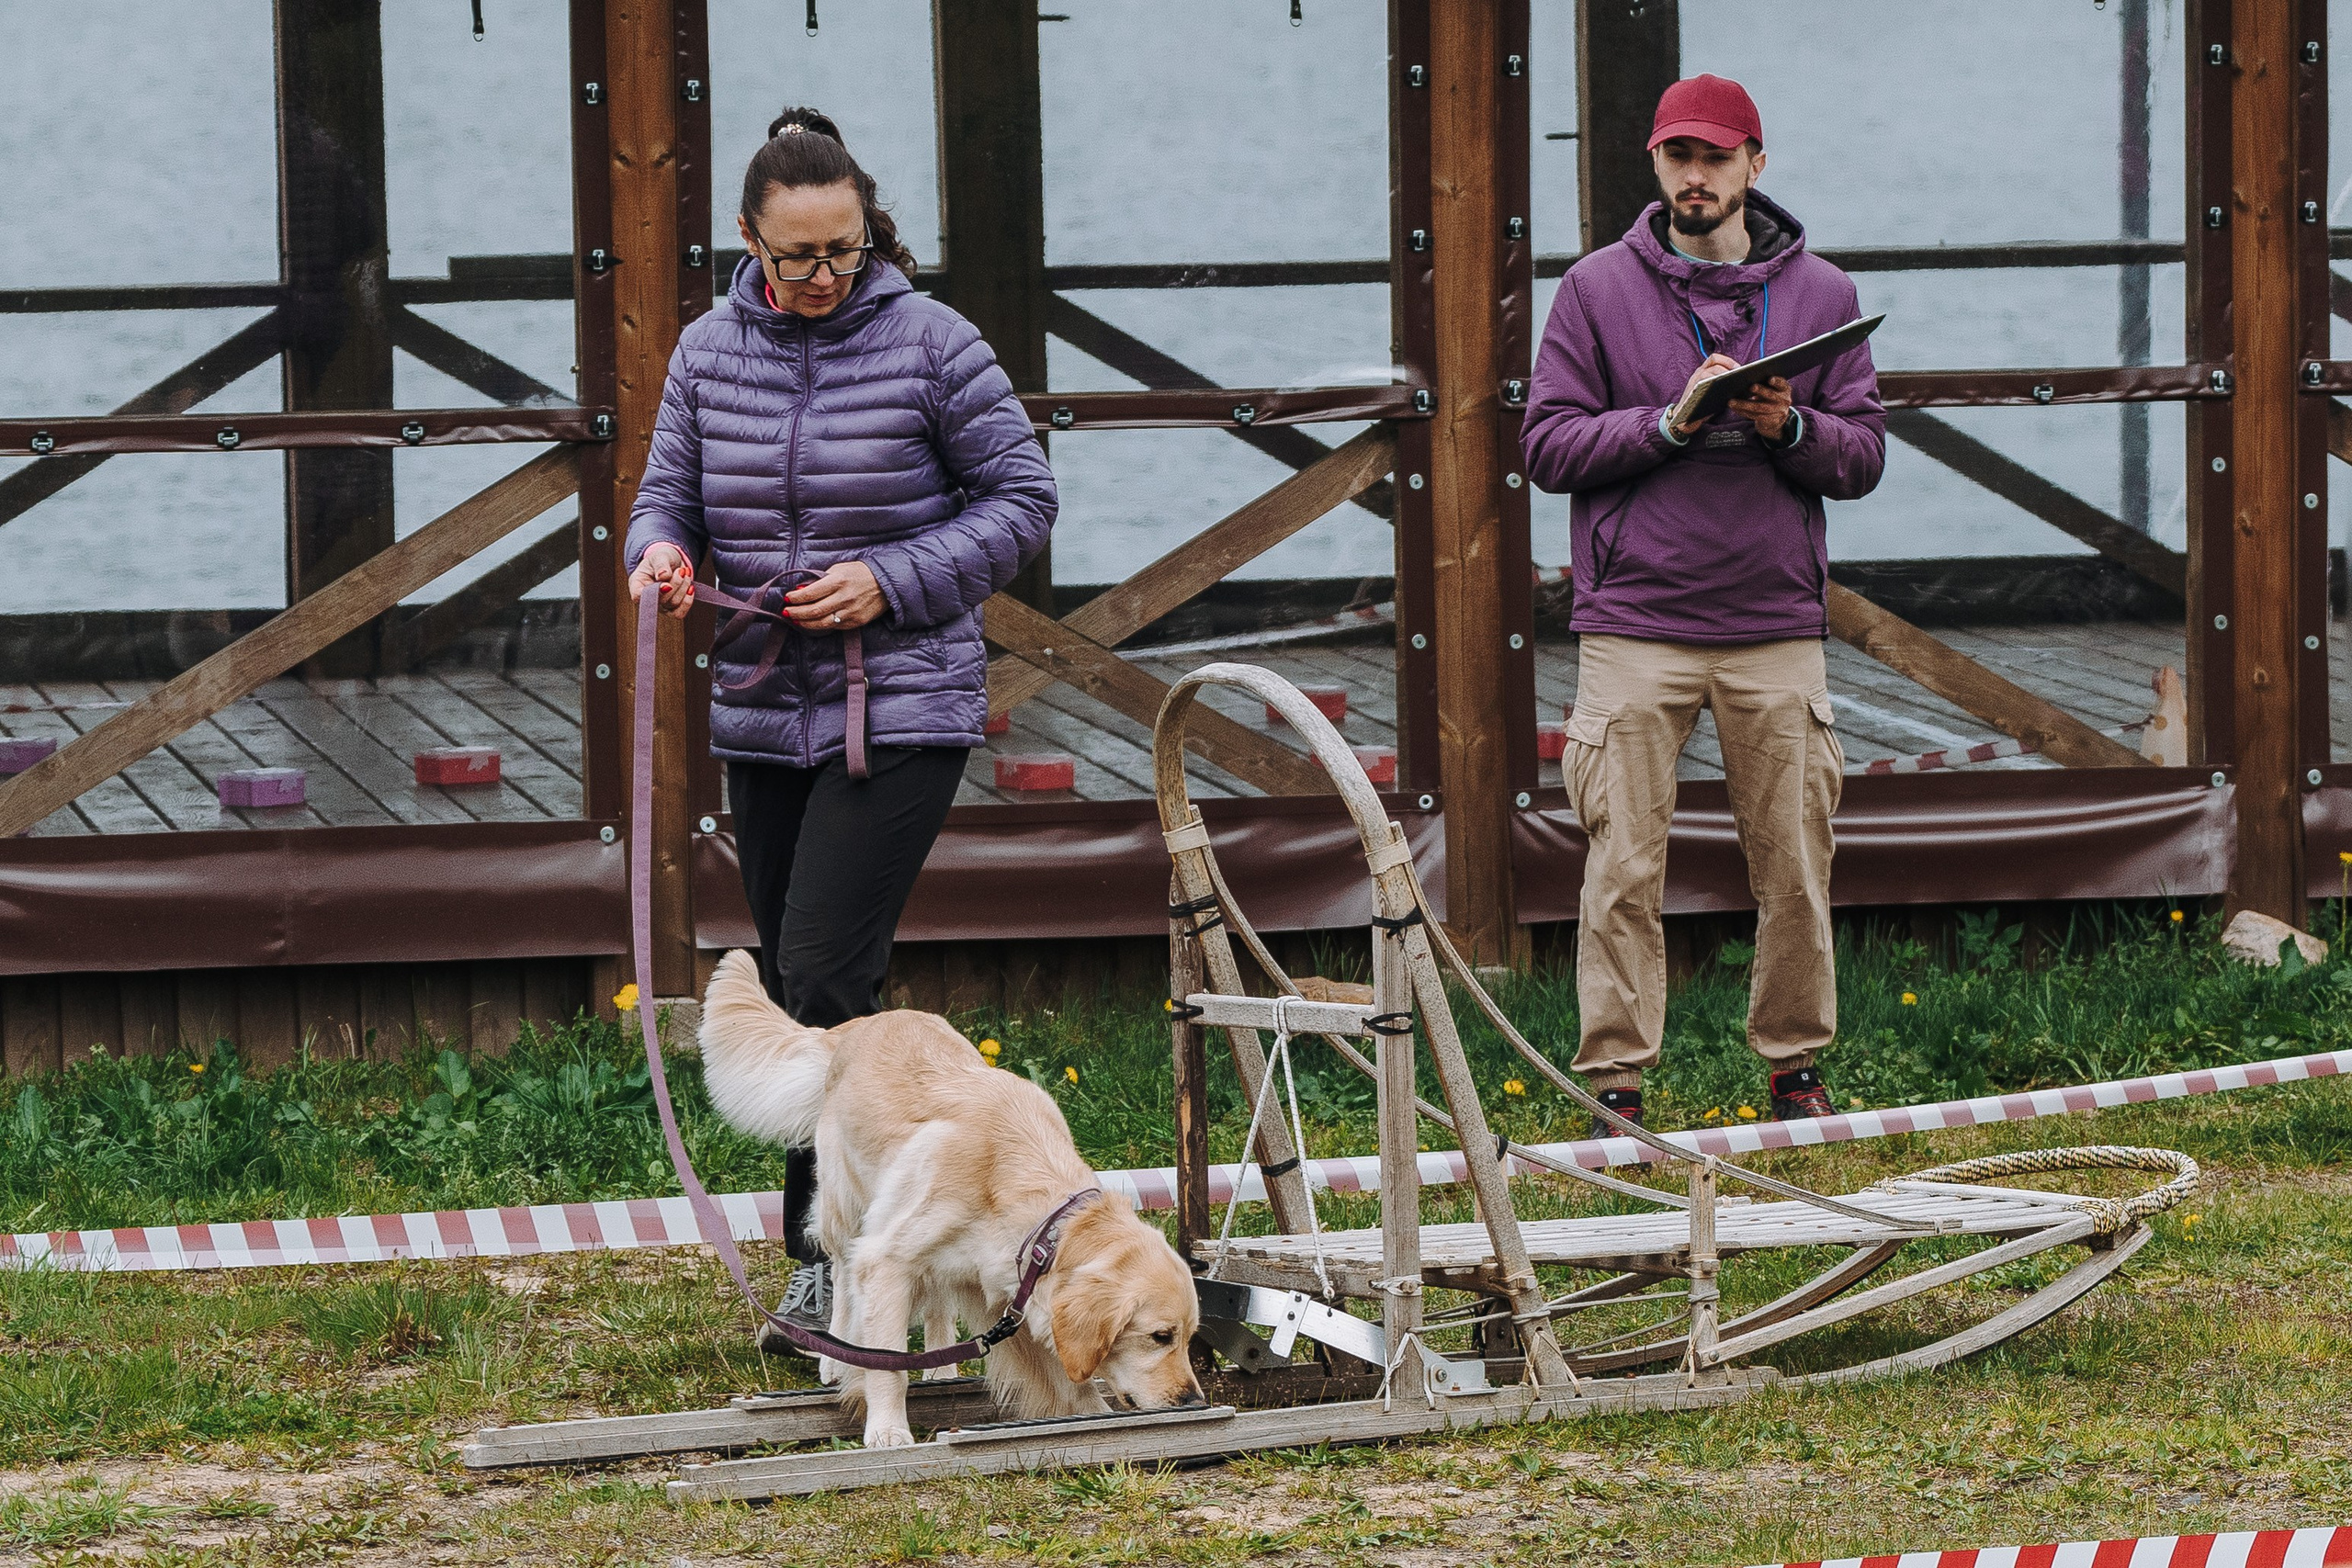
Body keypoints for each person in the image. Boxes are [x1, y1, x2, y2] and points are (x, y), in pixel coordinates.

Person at [625, 107, 1057, 1346]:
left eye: (842, 251)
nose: (819, 278)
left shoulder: (935, 341)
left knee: (816, 974)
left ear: (870, 230)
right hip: (764, 704)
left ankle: (832, 1268)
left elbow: (1024, 499)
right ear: (749, 243)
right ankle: (903, 1238)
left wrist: (892, 579)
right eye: (793, 257)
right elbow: (666, 493)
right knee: (820, 988)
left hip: (904, 704)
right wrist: (662, 549)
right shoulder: (709, 350)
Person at [1521, 74, 1884, 1134]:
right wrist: (1669, 422)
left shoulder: (1822, 294)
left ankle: (1794, 1070)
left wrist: (1790, 429)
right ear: (1655, 165)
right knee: (1620, 869)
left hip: (1774, 625)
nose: (1696, 175)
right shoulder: (1592, 289)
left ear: (1754, 167)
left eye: (1716, 157)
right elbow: (1544, 446)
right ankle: (1617, 1085)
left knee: (1795, 866)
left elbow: (1861, 457)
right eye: (1678, 155)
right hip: (1633, 624)